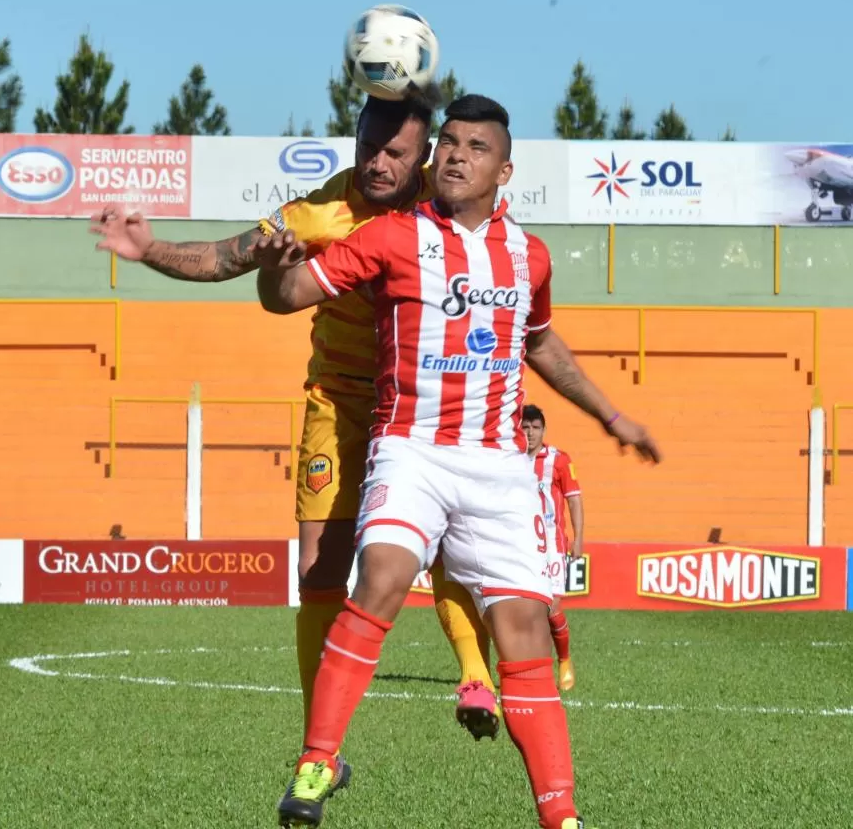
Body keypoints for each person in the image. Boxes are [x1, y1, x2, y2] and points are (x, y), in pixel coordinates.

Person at [255, 94, 661, 829]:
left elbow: (538, 342)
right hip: (411, 447)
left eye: (474, 147)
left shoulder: (528, 256)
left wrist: (611, 414)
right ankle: (317, 763)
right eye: (446, 143)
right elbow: (287, 296)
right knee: (381, 574)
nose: (454, 156)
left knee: (523, 631)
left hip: (499, 465)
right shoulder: (391, 236)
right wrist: (272, 270)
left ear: (504, 169)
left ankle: (561, 816)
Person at [87, 97, 501, 762]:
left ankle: (475, 676)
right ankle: (321, 748)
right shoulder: (318, 214)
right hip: (339, 401)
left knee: (451, 546)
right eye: (369, 147)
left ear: (422, 156)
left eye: (396, 153)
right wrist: (149, 248)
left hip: (423, 403)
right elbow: (226, 257)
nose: (378, 163)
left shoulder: (441, 200)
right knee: (317, 571)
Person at [522, 404, 584, 691]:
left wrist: (579, 538)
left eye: (535, 427)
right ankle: (532, 668)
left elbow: (574, 499)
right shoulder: (510, 459)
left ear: (543, 431)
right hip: (519, 543)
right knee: (524, 608)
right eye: (525, 427)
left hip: (552, 544)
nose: (530, 432)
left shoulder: (558, 460)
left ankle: (564, 660)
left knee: (553, 607)